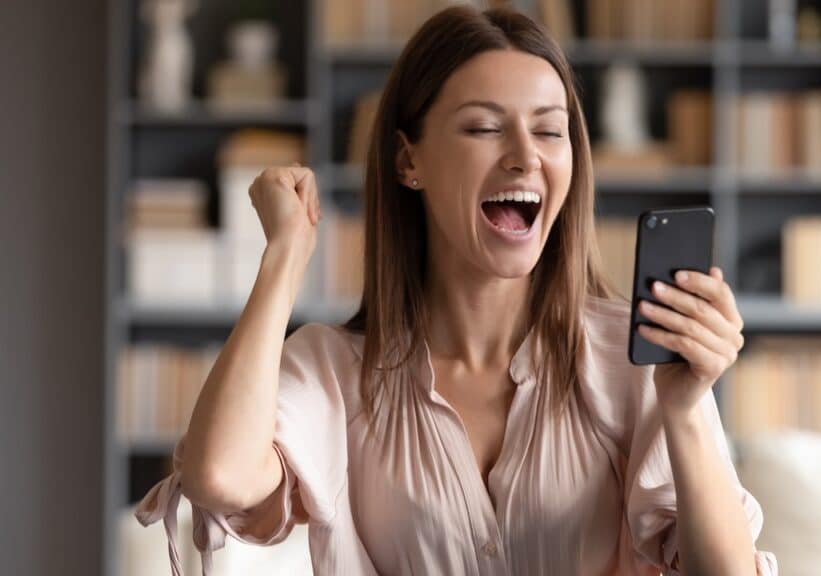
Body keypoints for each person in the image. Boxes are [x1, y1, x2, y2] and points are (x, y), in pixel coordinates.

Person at [136, 5, 778, 575]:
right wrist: (284, 255)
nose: (525, 156)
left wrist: (685, 406)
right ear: (408, 161)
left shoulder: (634, 359)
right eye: (484, 128)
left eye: (549, 131)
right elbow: (219, 477)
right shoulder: (334, 371)